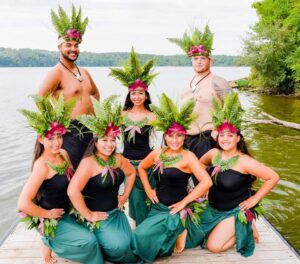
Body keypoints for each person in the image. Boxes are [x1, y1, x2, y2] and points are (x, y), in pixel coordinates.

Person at [18, 94, 102, 264]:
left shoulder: (63, 154)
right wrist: (47, 214)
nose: (57, 142)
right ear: (41, 139)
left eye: (59, 136)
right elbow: (23, 204)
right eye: (51, 138)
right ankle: (48, 239)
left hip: (68, 212)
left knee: (97, 235)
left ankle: (50, 244)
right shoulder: (41, 166)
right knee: (89, 241)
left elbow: (73, 182)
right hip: (53, 218)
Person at [131, 93, 212, 262]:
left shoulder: (188, 157)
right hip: (158, 207)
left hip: (176, 209)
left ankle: (181, 229)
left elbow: (206, 182)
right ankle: (174, 234)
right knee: (138, 236)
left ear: (184, 136)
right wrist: (148, 189)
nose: (175, 140)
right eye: (171, 135)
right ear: (165, 136)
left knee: (150, 242)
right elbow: (142, 168)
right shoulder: (157, 154)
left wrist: (184, 203)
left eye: (179, 135)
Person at [199, 93, 279, 256]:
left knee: (213, 246)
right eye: (222, 135)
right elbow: (200, 164)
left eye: (230, 135)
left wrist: (254, 199)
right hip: (213, 207)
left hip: (234, 210)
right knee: (195, 236)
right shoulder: (214, 153)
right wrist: (205, 186)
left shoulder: (245, 161)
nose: (225, 139)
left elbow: (273, 177)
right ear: (217, 137)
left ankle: (245, 228)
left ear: (238, 138)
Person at [67, 96, 139, 263]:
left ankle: (108, 242)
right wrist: (89, 215)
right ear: (96, 140)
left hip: (116, 214)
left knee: (130, 245)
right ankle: (93, 237)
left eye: (113, 139)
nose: (110, 144)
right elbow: (72, 191)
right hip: (99, 216)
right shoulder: (88, 163)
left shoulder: (118, 159)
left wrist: (124, 197)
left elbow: (131, 173)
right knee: (119, 248)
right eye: (105, 140)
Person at [168, 25, 232, 184]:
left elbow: (232, 109)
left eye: (203, 58)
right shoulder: (187, 83)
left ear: (211, 60)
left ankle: (209, 206)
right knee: (184, 178)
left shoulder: (218, 81)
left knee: (207, 180)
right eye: (195, 59)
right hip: (186, 140)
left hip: (207, 139)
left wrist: (220, 131)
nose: (199, 62)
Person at [38, 4, 100, 169]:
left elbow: (95, 94)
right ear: (60, 47)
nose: (73, 49)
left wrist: (96, 119)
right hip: (70, 132)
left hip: (89, 131)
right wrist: (55, 122)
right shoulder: (57, 72)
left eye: (76, 45)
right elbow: (40, 98)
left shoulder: (84, 71)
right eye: (68, 45)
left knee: (88, 175)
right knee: (71, 175)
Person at [109, 47, 158, 226]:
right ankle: (138, 228)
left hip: (146, 163)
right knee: (135, 199)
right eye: (133, 93)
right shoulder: (121, 115)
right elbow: (107, 137)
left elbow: (170, 136)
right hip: (127, 162)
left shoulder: (153, 116)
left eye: (141, 93)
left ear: (146, 95)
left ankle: (147, 229)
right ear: (129, 94)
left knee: (147, 196)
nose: (137, 97)